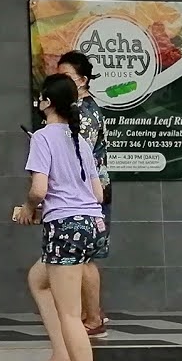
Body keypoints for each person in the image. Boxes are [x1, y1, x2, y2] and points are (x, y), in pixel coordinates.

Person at [12, 74, 106, 361]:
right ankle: (61, 358)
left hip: (64, 226)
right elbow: (97, 190)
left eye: (41, 98)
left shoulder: (42, 137)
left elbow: (38, 189)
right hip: (91, 224)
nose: (38, 103)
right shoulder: (80, 139)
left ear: (49, 102)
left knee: (70, 314)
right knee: (38, 280)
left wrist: (28, 208)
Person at [56, 49, 112, 338]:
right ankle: (91, 314)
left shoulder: (84, 112)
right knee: (81, 257)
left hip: (88, 192)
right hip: (82, 191)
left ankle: (92, 319)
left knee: (86, 257)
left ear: (83, 80)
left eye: (66, 76)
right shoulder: (74, 109)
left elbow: (79, 154)